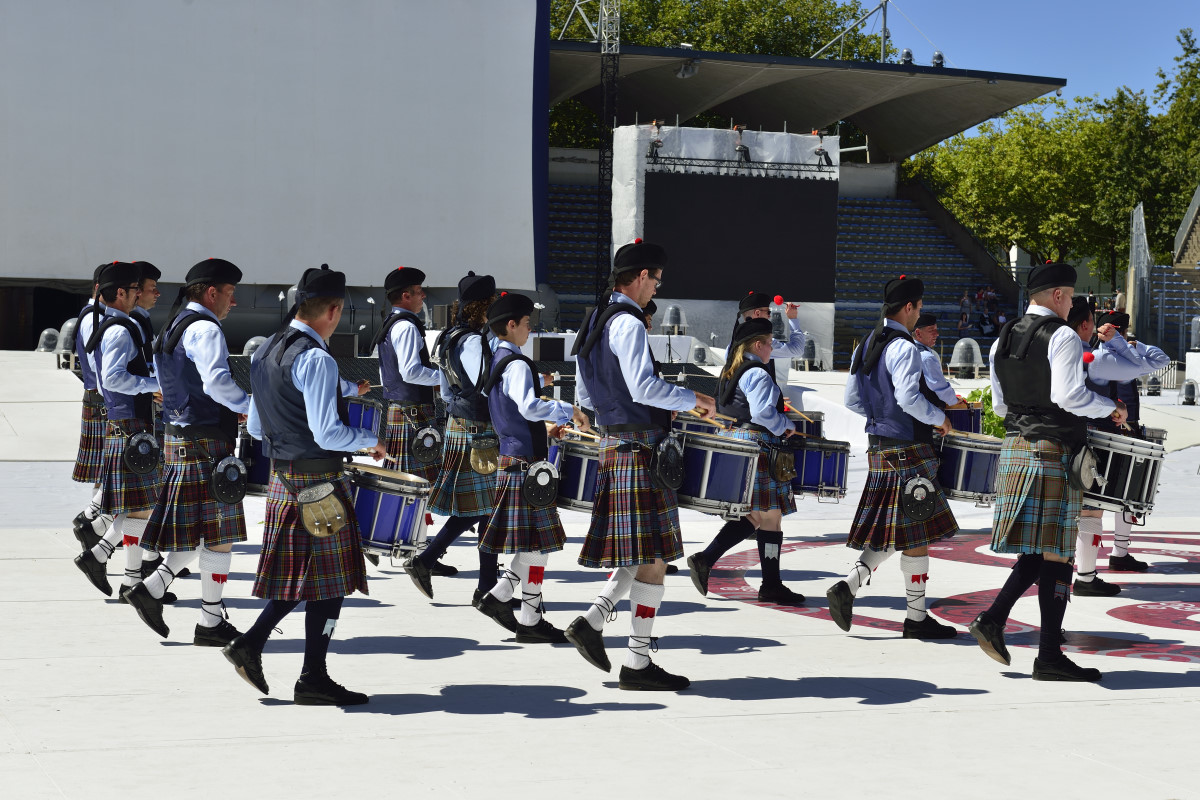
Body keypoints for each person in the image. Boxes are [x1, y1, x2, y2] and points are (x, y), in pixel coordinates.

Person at [222, 264, 385, 706]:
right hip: (320, 481)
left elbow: (255, 426)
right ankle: (306, 673)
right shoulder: (316, 358)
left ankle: (260, 648)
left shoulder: (265, 351)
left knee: (308, 580)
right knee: (328, 583)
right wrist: (372, 442)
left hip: (284, 478)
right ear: (334, 310)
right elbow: (329, 433)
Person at [566, 238, 717, 691]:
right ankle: (637, 663)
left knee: (642, 551)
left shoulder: (595, 316)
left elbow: (587, 395)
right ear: (639, 277)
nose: (656, 289)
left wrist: (612, 416)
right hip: (640, 449)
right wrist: (693, 400)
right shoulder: (628, 321)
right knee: (654, 559)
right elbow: (644, 386)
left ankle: (594, 622)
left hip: (617, 444)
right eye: (656, 280)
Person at [968, 262, 1126, 682]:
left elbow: (1000, 405)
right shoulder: (1062, 337)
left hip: (1017, 447)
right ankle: (1048, 656)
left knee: (1039, 551)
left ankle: (997, 621)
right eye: (1071, 296)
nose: (1072, 303)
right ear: (1058, 295)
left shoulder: (1003, 336)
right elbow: (1069, 395)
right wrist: (1110, 407)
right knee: (1057, 551)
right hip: (1052, 450)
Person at [825, 275, 958, 640]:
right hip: (909, 447)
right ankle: (915, 619)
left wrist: (877, 418)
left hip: (879, 447)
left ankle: (849, 588)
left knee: (896, 532)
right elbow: (908, 398)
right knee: (916, 533)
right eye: (918, 308)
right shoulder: (905, 347)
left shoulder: (865, 343)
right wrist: (940, 418)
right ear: (909, 307)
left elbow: (852, 400)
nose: (919, 316)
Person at [124, 259, 250, 646]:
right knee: (219, 536)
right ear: (211, 292)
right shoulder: (205, 328)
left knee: (208, 533)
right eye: (229, 293)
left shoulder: (172, 326)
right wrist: (248, 405)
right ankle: (208, 623)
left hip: (179, 436)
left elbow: (165, 382)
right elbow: (216, 382)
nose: (233, 302)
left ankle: (154, 588)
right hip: (205, 438)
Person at [473, 291, 591, 642]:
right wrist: (566, 411)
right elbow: (526, 406)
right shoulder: (518, 364)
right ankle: (519, 612)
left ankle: (514, 608)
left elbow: (513, 412)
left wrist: (545, 428)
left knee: (535, 543)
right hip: (526, 464)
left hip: (513, 457)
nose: (529, 330)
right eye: (526, 324)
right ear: (510, 325)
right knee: (539, 544)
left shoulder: (496, 361)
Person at [687, 317, 805, 606]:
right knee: (770, 515)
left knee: (759, 516)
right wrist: (784, 424)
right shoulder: (759, 373)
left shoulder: (732, 370)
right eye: (770, 343)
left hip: (741, 443)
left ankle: (708, 559)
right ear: (757, 344)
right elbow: (763, 413)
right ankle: (769, 584)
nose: (772, 349)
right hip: (759, 444)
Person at [406, 271, 502, 601]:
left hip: (460, 426)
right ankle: (479, 584)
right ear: (484, 307)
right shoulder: (475, 340)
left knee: (481, 509)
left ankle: (481, 584)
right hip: (480, 431)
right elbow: (484, 383)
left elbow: (446, 392)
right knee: (486, 508)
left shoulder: (448, 336)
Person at [73, 262, 164, 600]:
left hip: (128, 423)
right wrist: (153, 384)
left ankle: (118, 568)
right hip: (129, 425)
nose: (141, 294)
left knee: (139, 506)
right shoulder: (117, 329)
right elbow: (111, 378)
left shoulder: (117, 325)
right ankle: (100, 549)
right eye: (135, 289)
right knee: (141, 505)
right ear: (120, 293)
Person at [1074, 308, 1169, 581]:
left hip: (1106, 430)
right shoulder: (1111, 358)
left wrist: (1127, 344)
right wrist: (1129, 345)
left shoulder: (1096, 353)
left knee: (1108, 498)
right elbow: (1158, 360)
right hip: (1113, 433)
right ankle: (1106, 560)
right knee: (1117, 497)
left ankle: (1105, 559)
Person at [371, 266, 441, 483]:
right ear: (406, 295)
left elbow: (389, 374)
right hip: (413, 412)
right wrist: (445, 379)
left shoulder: (391, 322)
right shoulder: (407, 327)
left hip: (401, 410)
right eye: (419, 291)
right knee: (411, 485)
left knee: (400, 484)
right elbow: (410, 372)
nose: (423, 295)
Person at [70, 264, 113, 551]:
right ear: (99, 287)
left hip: (100, 401)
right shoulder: (93, 319)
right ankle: (90, 522)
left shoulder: (99, 317)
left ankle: (95, 524)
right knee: (108, 471)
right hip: (102, 402)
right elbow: (101, 369)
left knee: (107, 471)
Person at [733, 291, 806, 385]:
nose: (770, 315)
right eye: (768, 312)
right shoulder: (762, 342)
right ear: (757, 313)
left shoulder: (734, 341)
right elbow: (798, 349)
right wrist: (793, 319)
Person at [910, 313, 963, 409]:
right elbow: (939, 387)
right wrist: (954, 401)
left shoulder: (908, 350)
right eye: (931, 330)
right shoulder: (927, 357)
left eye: (936, 330)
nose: (937, 334)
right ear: (918, 333)